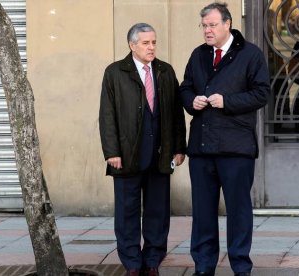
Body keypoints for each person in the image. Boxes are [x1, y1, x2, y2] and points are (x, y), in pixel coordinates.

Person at [180, 2, 270, 276]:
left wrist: (227, 101)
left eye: (212, 25)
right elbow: (185, 87)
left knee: (238, 212)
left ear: (227, 24)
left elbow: (262, 93)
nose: (207, 30)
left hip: (236, 148)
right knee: (203, 214)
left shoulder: (251, 55)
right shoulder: (198, 55)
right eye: (204, 26)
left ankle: (241, 267)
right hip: (202, 148)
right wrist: (191, 100)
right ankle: (203, 267)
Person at [99, 23, 186, 276]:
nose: (151, 47)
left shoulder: (165, 71)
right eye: (146, 43)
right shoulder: (115, 72)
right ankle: (132, 264)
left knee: (157, 213)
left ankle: (152, 262)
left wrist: (179, 147)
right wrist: (111, 151)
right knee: (127, 213)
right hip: (126, 155)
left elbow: (175, 113)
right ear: (132, 45)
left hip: (161, 154)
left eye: (154, 43)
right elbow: (107, 115)